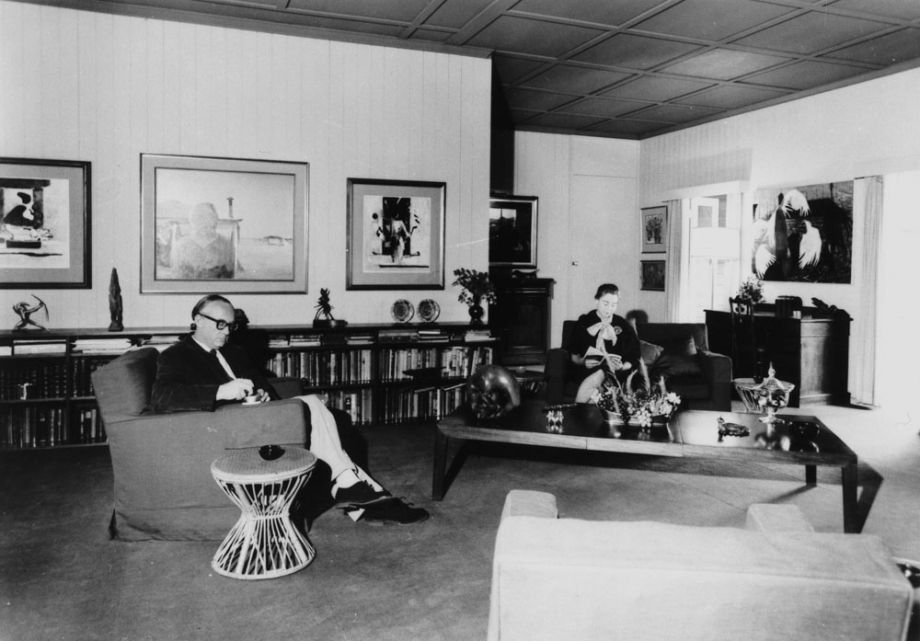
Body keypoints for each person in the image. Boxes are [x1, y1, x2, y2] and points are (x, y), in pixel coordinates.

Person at [150, 294, 429, 525]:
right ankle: (354, 489)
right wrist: (222, 392)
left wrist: (260, 394)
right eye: (220, 324)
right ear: (197, 320)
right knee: (308, 404)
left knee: (318, 408)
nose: (226, 332)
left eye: (230, 326)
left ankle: (357, 492)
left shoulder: (234, 352)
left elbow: (265, 388)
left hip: (258, 417)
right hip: (226, 429)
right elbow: (162, 397)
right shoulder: (176, 355)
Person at [569, 283, 641, 402]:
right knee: (596, 386)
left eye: (614, 305)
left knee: (602, 373)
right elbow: (573, 356)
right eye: (605, 303)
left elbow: (634, 357)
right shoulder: (584, 322)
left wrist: (622, 366)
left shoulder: (623, 324)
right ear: (596, 301)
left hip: (616, 373)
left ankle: (578, 408)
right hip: (586, 370)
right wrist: (582, 362)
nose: (609, 308)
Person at [172, 203, 235, 279]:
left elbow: (229, 276)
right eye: (200, 217)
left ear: (215, 219)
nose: (205, 221)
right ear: (192, 219)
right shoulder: (181, 245)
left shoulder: (226, 244)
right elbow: (177, 277)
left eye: (209, 216)